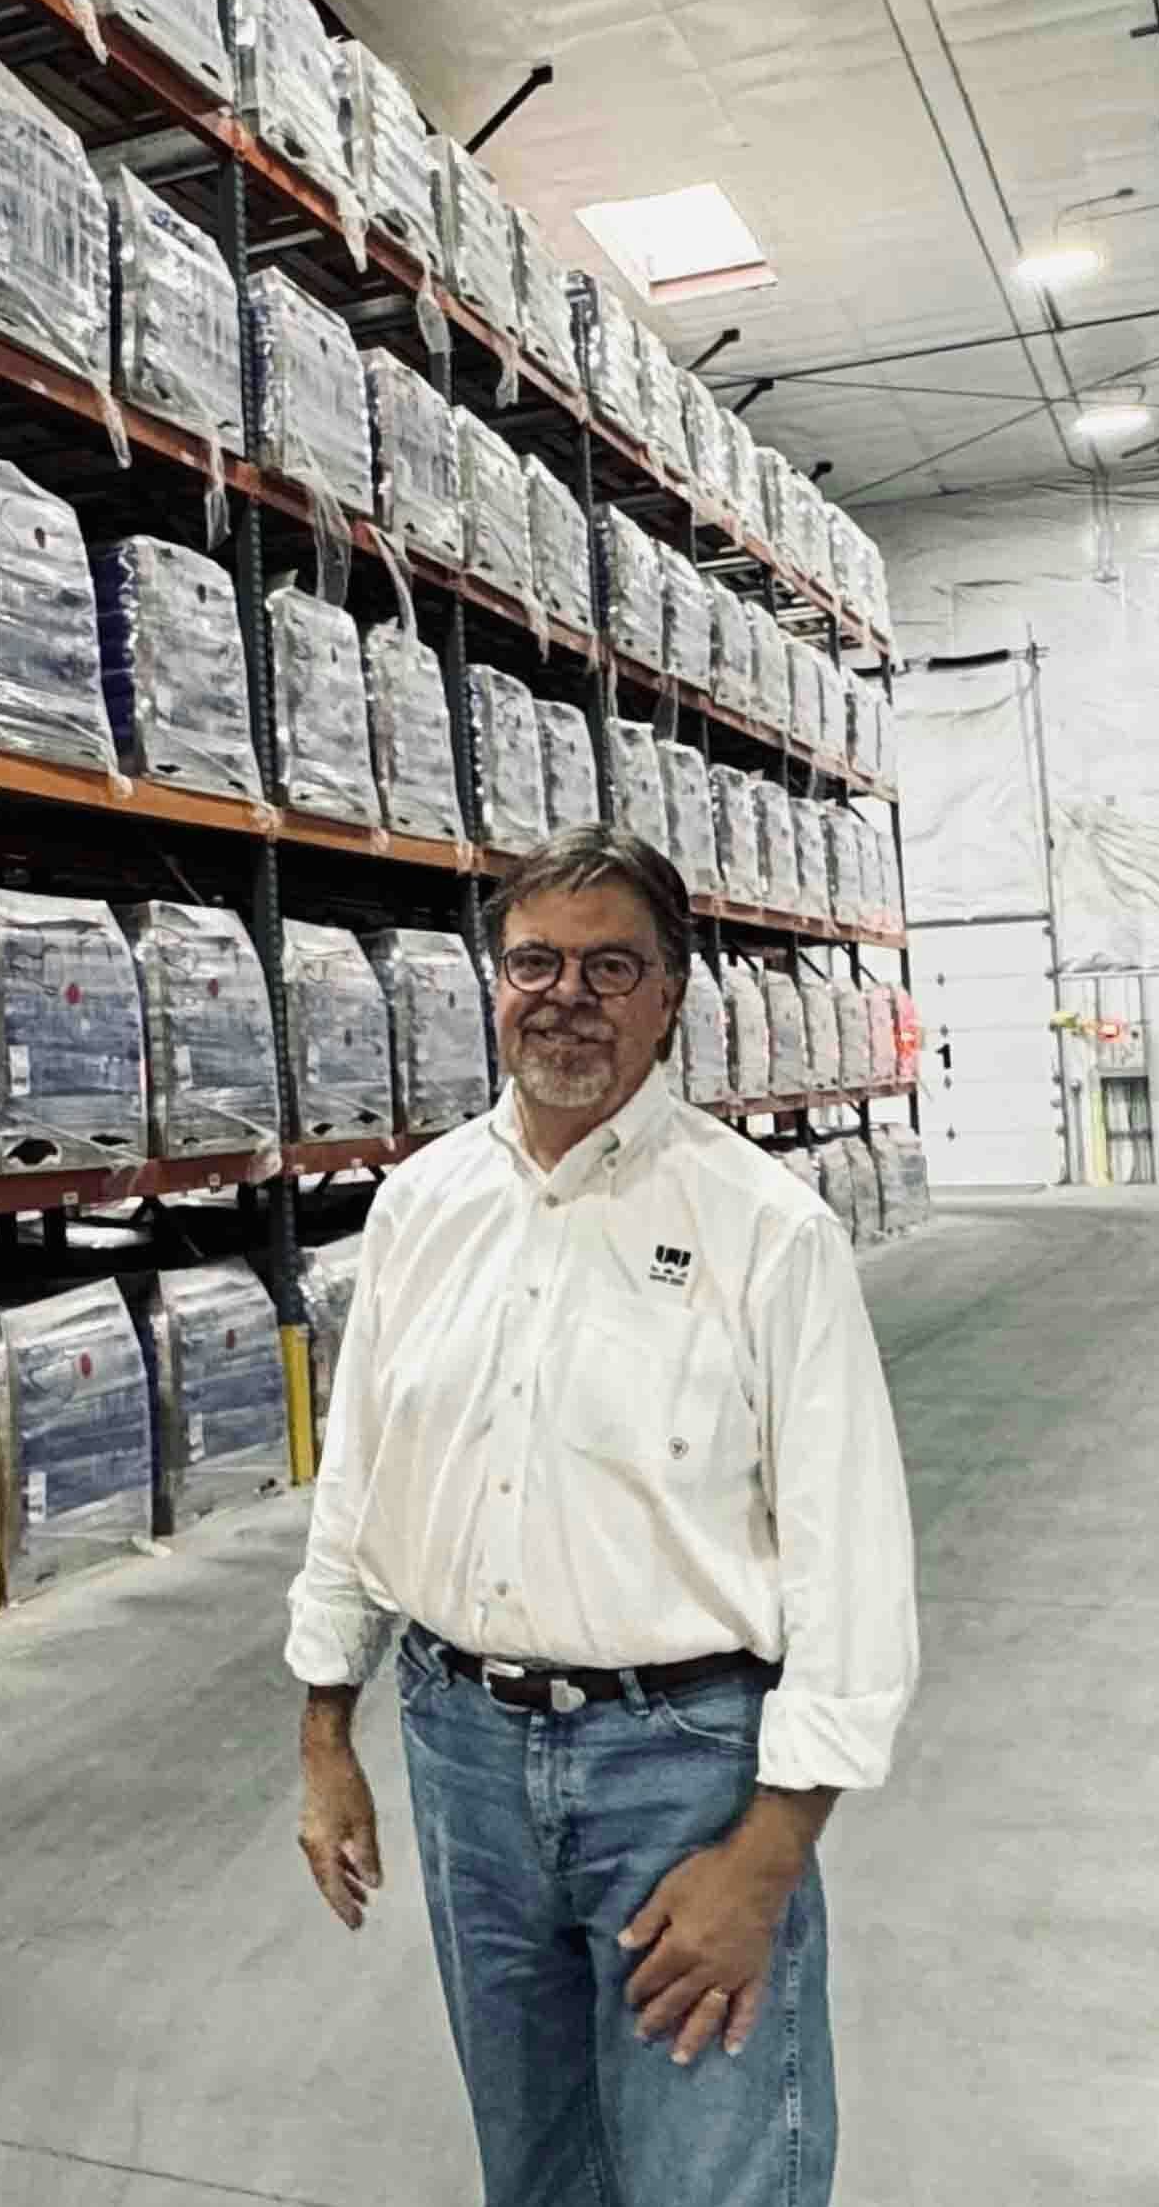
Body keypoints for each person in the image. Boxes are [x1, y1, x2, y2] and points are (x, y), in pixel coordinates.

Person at [284, 826, 918, 2207]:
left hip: (681, 1770)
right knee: (538, 2169)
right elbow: (361, 1481)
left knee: (713, 2172)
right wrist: (328, 1730)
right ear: (493, 983)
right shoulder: (422, 1207)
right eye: (535, 964)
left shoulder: (767, 1229)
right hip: (461, 1755)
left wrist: (767, 1857)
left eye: (611, 967)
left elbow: (853, 1570)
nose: (567, 996)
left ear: (670, 998)